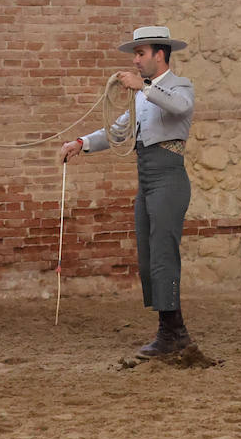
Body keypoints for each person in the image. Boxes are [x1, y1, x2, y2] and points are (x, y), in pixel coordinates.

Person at [60, 25, 196, 357]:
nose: (135, 61)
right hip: (147, 179)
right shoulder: (141, 95)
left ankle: (173, 335)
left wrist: (145, 87)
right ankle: (172, 331)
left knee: (164, 255)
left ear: (159, 54)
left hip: (169, 177)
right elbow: (118, 129)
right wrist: (82, 143)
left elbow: (180, 107)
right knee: (150, 258)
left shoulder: (179, 86)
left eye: (140, 54)